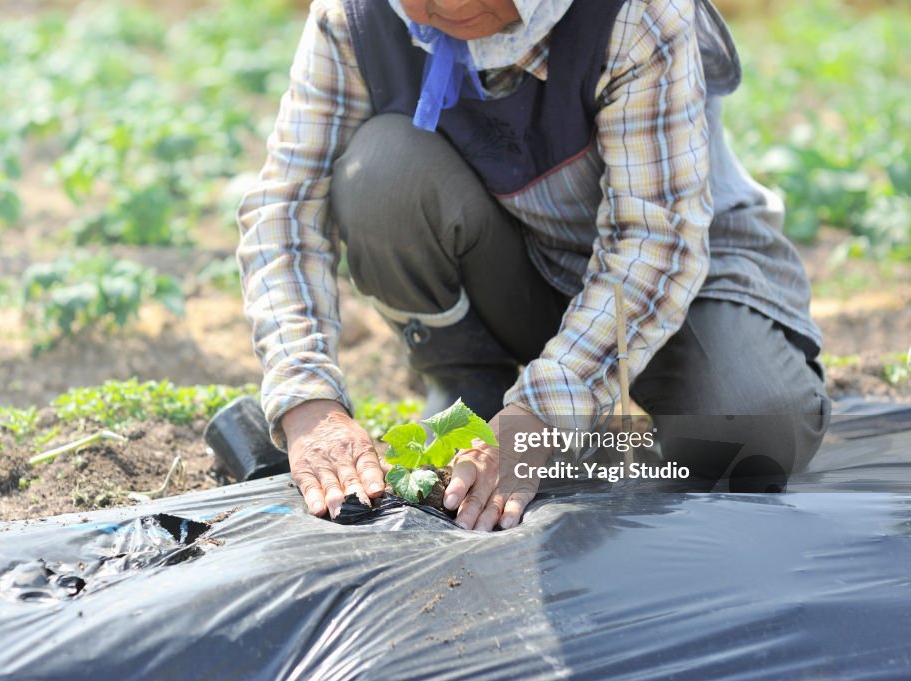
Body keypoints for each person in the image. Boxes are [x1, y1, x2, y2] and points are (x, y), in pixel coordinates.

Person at [236, 0, 831, 531]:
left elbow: (653, 242)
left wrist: (540, 419)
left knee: (758, 428)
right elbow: (286, 210)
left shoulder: (635, 15)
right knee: (381, 171)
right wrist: (305, 400)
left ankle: (562, 421)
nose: (445, 3)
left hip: (684, 272)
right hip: (516, 264)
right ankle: (469, 386)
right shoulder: (356, 17)